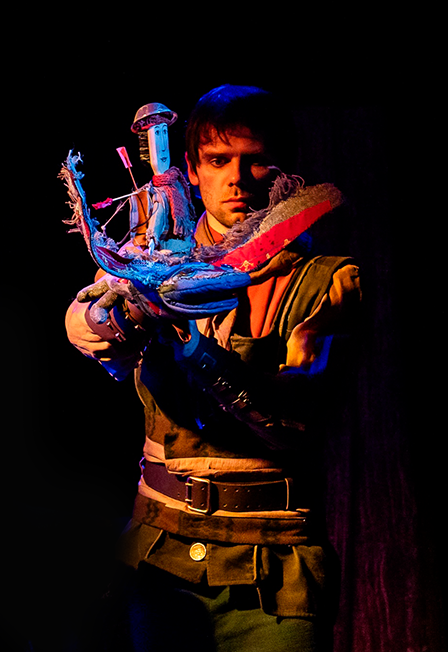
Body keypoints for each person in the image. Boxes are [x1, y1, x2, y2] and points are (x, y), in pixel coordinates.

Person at [65, 84, 361, 652]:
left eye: (256, 160)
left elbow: (294, 423)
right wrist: (128, 312)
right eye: (218, 160)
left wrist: (196, 350)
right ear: (193, 169)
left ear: (285, 169)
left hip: (273, 570)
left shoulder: (327, 280)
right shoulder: (150, 258)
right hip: (161, 559)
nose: (237, 179)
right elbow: (85, 327)